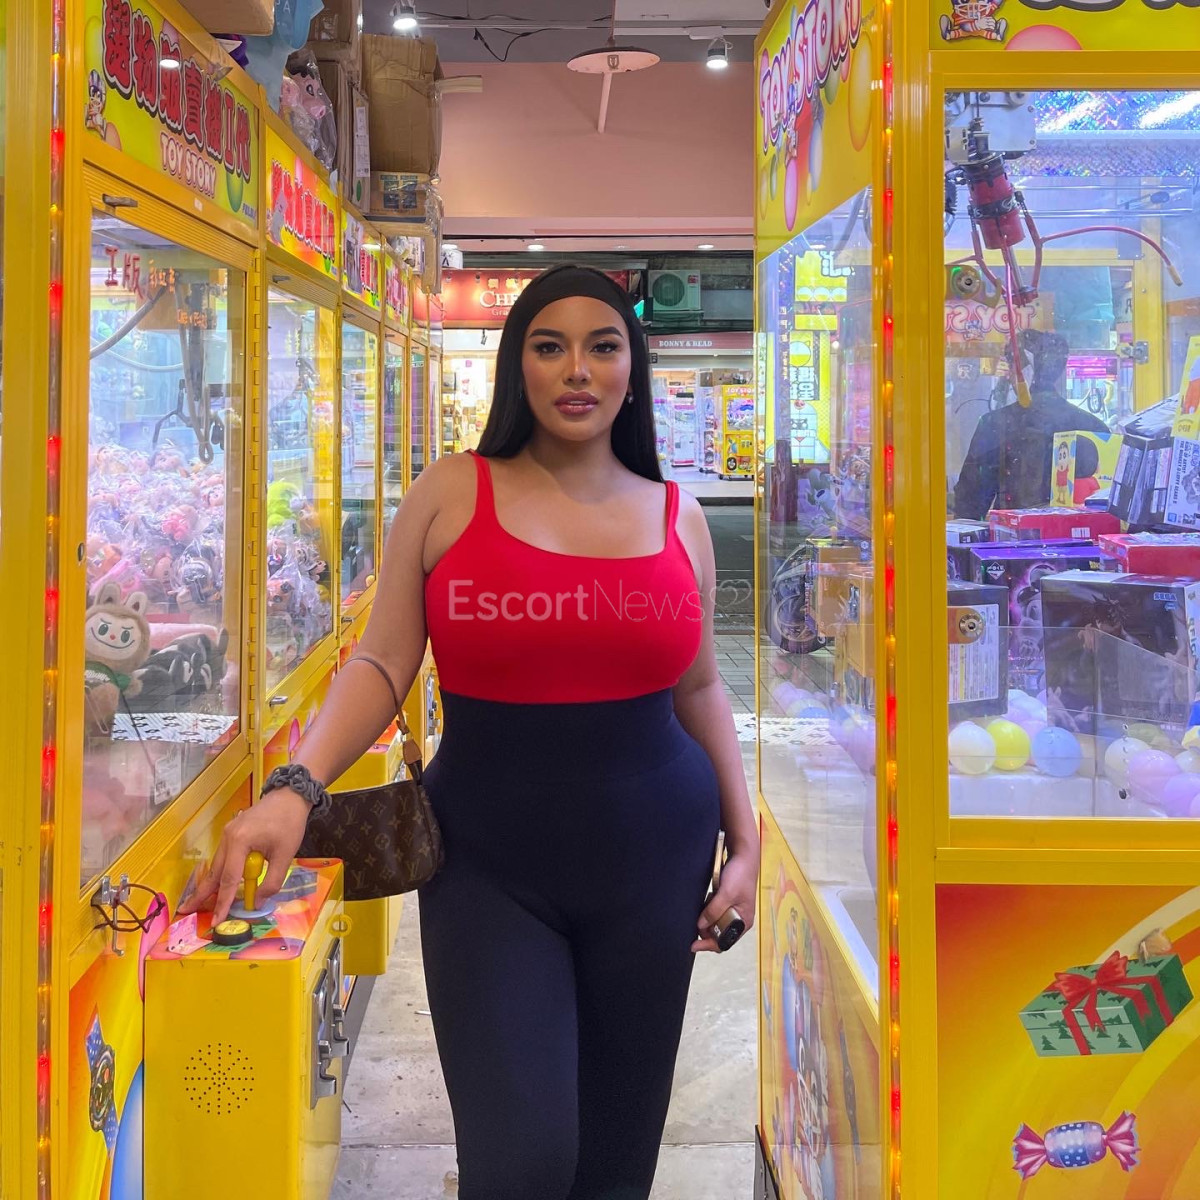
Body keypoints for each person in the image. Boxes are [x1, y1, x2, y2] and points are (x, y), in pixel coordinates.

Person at [182, 265, 759, 1200]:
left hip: (657, 859)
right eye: (549, 346)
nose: (578, 369)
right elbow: (382, 662)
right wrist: (295, 788)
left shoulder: (677, 515)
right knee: (521, 1160)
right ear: (517, 366)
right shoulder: (453, 492)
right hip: (488, 865)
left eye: (603, 346)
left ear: (632, 369)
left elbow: (700, 688)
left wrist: (747, 839)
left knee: (616, 1168)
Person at [953, 329, 1109, 520]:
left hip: (1012, 537)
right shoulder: (1095, 428)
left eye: (1011, 366)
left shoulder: (995, 424)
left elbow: (969, 505)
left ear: (1022, 370)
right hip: (1082, 537)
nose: (1008, 375)